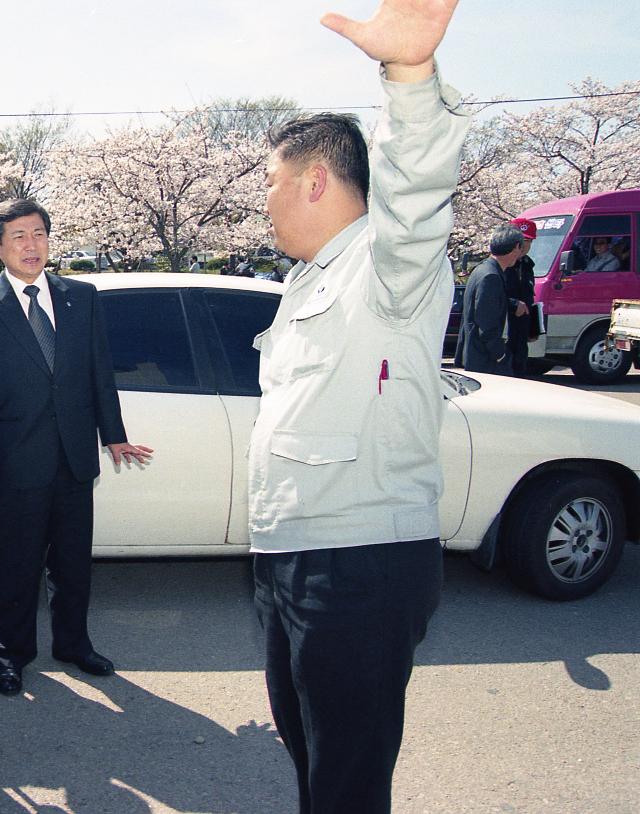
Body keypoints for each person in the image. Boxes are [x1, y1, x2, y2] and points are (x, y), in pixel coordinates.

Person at [249, 2, 469, 812]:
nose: (264, 202)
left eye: (270, 181)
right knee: (314, 762)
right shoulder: (311, 279)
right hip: (296, 559)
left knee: (346, 781)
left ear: (315, 178)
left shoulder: (387, 264)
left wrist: (409, 75)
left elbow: (416, 187)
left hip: (358, 563)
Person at [0, 199, 152, 697]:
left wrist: (114, 434)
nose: (31, 245)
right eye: (18, 236)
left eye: (39, 233)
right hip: (15, 461)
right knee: (16, 566)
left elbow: (98, 373)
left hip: (73, 457)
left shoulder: (80, 298)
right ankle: (10, 653)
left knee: (72, 563)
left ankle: (73, 645)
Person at [458, 224, 524, 375]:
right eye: (521, 249)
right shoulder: (491, 276)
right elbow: (486, 323)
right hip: (486, 359)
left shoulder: (482, 269)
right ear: (515, 247)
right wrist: (500, 355)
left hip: (478, 355)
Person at [504, 218, 538, 375]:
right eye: (521, 240)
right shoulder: (501, 265)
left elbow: (528, 297)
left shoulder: (528, 266)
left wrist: (532, 326)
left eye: (529, 241)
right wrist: (513, 304)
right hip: (503, 336)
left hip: (521, 337)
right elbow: (491, 298)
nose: (524, 246)